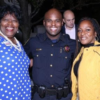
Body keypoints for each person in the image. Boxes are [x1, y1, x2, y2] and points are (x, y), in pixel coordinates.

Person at [24, 8, 76, 100]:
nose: (53, 24)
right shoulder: (33, 42)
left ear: (62, 22)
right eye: (49, 21)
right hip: (39, 97)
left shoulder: (72, 44)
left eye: (57, 21)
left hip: (64, 97)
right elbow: (19, 60)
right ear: (44, 23)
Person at [0, 5, 31, 100]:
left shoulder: (18, 43)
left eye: (14, 20)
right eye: (5, 19)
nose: (10, 23)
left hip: (22, 94)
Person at [71, 17, 100, 100]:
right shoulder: (81, 53)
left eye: (87, 30)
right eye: (80, 30)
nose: (82, 33)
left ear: (95, 33)